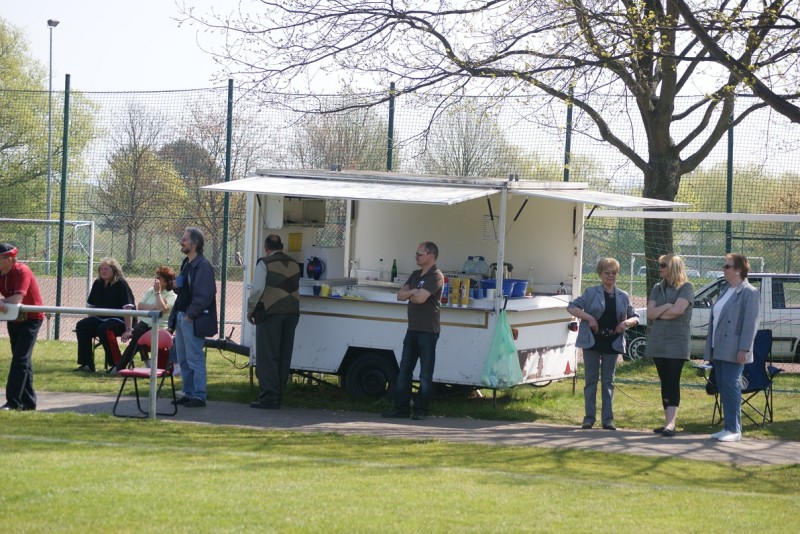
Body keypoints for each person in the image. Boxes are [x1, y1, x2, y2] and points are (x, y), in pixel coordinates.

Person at [567, 258, 639, 430]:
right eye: (607, 273)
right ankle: (589, 418)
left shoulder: (623, 296)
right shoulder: (591, 293)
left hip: (612, 342)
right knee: (591, 380)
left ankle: (608, 420)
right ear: (600, 274)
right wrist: (589, 318)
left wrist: (625, 323)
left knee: (608, 381)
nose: (611, 276)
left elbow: (635, 317)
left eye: (614, 273)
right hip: (592, 341)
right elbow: (571, 307)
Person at [382, 241, 443, 421]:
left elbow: (421, 298)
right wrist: (414, 291)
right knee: (405, 370)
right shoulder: (415, 274)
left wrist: (413, 293)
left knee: (425, 373)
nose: (416, 256)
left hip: (428, 331)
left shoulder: (436, 275)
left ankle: (421, 409)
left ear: (431, 255)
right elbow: (400, 295)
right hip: (412, 329)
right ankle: (401, 408)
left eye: (419, 253)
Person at [704, 253, 760, 443]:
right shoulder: (726, 290)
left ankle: (735, 429)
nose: (723, 269)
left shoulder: (750, 292)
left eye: (727, 266)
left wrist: (744, 348)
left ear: (738, 270)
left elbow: (751, 324)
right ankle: (727, 427)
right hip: (719, 346)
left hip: (735, 348)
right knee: (723, 386)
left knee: (731, 385)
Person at [247, 235, 301, 409]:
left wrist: (250, 309)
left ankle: (269, 396)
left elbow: (257, 289)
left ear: (266, 247)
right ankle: (279, 394)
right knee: (284, 355)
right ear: (282, 246)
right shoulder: (294, 263)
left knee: (268, 355)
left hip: (271, 313)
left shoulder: (265, 263)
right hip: (292, 313)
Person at [168, 228, 217, 408]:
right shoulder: (187, 263)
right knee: (183, 359)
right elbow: (185, 290)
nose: (181, 242)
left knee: (195, 358)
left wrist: (190, 315)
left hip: (192, 318)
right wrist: (176, 286)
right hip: (182, 315)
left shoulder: (203, 266)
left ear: (194, 244)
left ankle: (199, 396)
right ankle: (188, 393)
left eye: (184, 239)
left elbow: (205, 295)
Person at [646, 254, 694, 437]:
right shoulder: (657, 288)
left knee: (672, 381)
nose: (660, 268)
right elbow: (650, 314)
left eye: (663, 265)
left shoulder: (686, 287)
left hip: (677, 341)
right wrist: (667, 306)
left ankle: (671, 423)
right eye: (659, 265)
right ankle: (667, 422)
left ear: (673, 267)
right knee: (664, 381)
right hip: (658, 341)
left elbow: (679, 310)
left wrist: (662, 312)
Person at [108, 266, 177, 374]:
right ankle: (140, 364)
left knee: (137, 335)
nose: (155, 280)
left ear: (166, 282)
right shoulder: (150, 291)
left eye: (158, 278)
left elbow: (162, 309)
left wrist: (158, 293)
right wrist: (154, 307)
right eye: (155, 277)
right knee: (138, 331)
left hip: (161, 328)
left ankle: (121, 366)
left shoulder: (172, 295)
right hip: (145, 324)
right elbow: (140, 306)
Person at [0, 244, 44, 411]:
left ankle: (13, 402)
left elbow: (17, 298)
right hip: (14, 318)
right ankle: (29, 402)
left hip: (31, 319)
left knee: (20, 359)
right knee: (22, 360)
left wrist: (2, 302)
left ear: (8, 258)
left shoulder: (21, 271)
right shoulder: (1, 273)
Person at [74, 258, 135, 372]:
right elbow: (91, 306)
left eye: (106, 269)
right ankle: (87, 364)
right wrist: (90, 323)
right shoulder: (98, 283)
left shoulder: (121, 284)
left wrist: (128, 329)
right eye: (101, 269)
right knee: (82, 325)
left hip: (121, 320)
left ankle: (117, 364)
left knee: (104, 329)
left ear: (114, 270)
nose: (103, 271)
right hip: (101, 318)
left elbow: (128, 308)